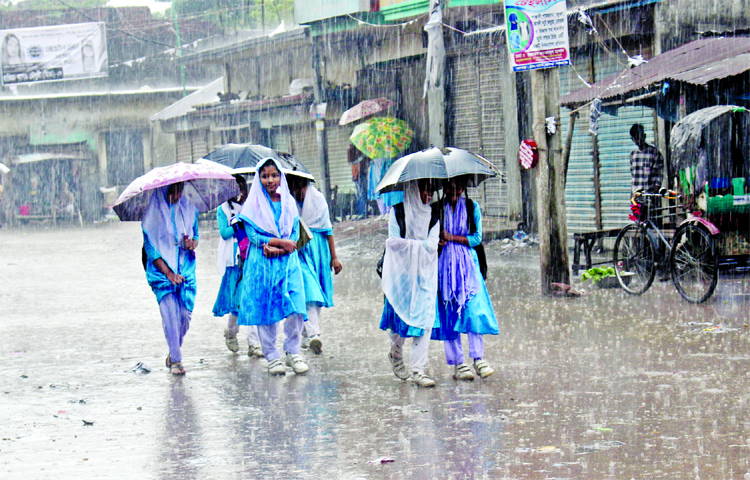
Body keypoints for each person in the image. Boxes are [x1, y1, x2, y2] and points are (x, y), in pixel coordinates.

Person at [236, 158, 308, 376]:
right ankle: (272, 355)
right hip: (262, 263)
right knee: (266, 309)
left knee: (295, 305)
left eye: (274, 175)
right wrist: (279, 244)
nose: (270, 180)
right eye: (265, 176)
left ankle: (293, 351)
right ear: (258, 178)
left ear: (281, 176)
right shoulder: (252, 205)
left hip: (288, 261)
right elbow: (253, 236)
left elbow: (295, 233)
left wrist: (282, 248)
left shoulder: (289, 202)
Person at [431, 177, 498, 381]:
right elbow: (429, 239)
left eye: (459, 187)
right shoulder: (436, 210)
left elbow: (477, 238)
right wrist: (438, 241)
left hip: (469, 266)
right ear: (444, 187)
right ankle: (459, 364)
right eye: (451, 187)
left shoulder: (471, 207)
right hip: (444, 268)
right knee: (449, 313)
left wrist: (451, 237)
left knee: (473, 310)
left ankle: (478, 358)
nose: (455, 192)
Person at [379, 179, 440, 388]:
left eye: (431, 190)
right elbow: (392, 242)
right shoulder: (398, 212)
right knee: (398, 324)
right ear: (414, 189)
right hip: (400, 277)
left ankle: (418, 370)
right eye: (425, 189)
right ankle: (396, 354)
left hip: (424, 275)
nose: (428, 194)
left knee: (423, 321)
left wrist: (412, 246)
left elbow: (432, 246)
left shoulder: (433, 215)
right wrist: (419, 246)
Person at [141, 182, 199, 375]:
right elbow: (150, 248)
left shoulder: (189, 209)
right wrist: (168, 273)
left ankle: (174, 350)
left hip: (186, 269)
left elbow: (196, 235)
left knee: (184, 316)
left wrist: (192, 243)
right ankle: (176, 360)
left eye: (179, 190)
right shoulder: (152, 215)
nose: (176, 195)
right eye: (171, 191)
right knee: (170, 317)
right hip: (162, 273)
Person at [288, 175, 343, 355]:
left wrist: (334, 258)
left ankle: (306, 333)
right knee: (309, 290)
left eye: (301, 188)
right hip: (300, 252)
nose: (299, 192)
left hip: (319, 251)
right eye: (295, 189)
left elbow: (328, 231)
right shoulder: (288, 204)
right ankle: (314, 334)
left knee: (317, 294)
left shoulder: (318, 200)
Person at [214, 175, 264, 359]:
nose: (238, 193)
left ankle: (254, 343)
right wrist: (238, 224)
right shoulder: (223, 209)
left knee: (250, 300)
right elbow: (224, 233)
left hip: (250, 258)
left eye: (241, 189)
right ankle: (231, 332)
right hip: (233, 262)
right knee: (237, 303)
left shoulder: (251, 206)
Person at [630, 123, 664, 206]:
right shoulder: (633, 155)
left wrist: (654, 194)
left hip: (650, 197)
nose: (639, 140)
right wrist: (632, 194)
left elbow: (659, 175)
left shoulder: (654, 153)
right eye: (636, 138)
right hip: (637, 197)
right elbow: (633, 177)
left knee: (652, 218)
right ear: (633, 139)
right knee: (637, 219)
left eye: (640, 137)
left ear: (644, 136)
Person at [348, 143, 370, 216]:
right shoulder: (353, 150)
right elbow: (351, 161)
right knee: (360, 194)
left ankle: (363, 212)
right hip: (358, 174)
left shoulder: (361, 149)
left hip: (361, 173)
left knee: (362, 193)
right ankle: (362, 212)